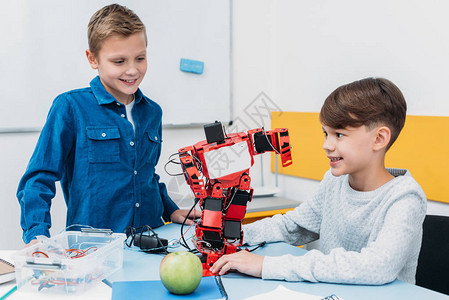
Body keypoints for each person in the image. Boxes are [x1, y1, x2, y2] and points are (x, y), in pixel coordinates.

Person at [210, 77, 427, 285]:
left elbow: (377, 266)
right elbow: (292, 227)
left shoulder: (405, 197)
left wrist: (267, 266)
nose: (327, 145)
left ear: (379, 139)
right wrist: (228, 236)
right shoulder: (334, 182)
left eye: (339, 134)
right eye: (326, 133)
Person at [17, 4, 196, 246]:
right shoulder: (70, 107)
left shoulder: (153, 112)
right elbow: (38, 178)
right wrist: (37, 236)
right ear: (93, 58)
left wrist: (170, 210)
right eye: (119, 61)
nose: (132, 70)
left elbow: (144, 173)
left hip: (153, 241)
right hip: (94, 249)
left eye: (140, 58)